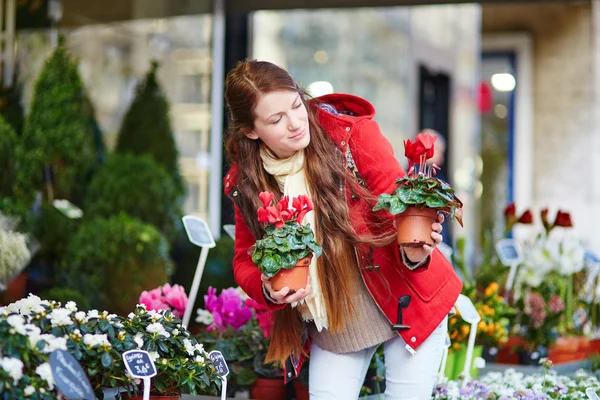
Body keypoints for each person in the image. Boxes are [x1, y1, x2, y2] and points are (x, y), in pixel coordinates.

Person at [223, 60, 462, 400]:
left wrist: (416, 250)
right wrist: (266, 286)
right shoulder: (245, 182)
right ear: (250, 130)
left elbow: (399, 205)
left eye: (296, 105)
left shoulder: (348, 135)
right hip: (336, 319)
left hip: (406, 297)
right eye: (276, 119)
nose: (295, 123)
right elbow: (245, 259)